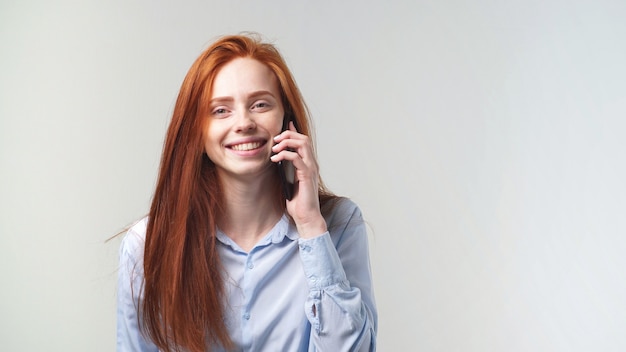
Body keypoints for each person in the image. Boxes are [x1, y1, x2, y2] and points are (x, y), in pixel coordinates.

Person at [116, 33, 377, 352]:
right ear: (197, 130)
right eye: (220, 111)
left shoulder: (339, 224)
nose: (243, 123)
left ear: (287, 120)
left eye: (260, 104)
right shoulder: (146, 244)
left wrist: (311, 226)